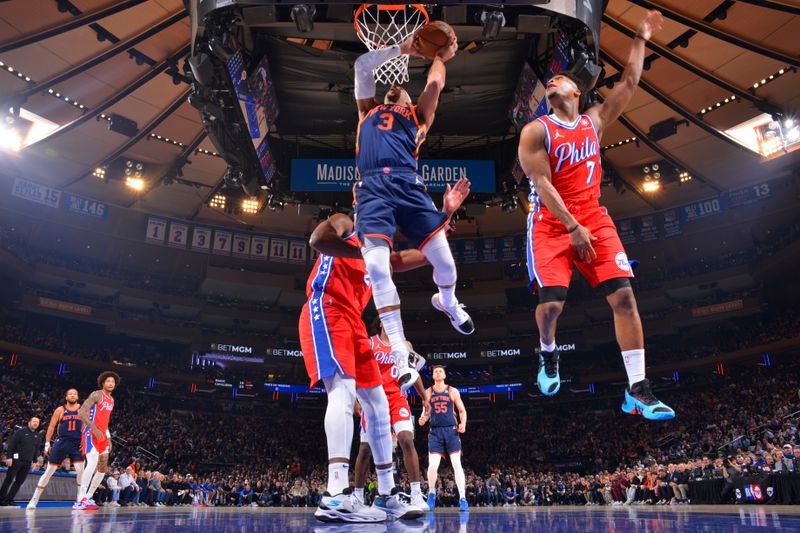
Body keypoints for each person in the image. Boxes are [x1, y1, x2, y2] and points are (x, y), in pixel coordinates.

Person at [517, 9, 674, 421]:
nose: (552, 80)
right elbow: (541, 184)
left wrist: (640, 37)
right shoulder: (536, 131)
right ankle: (548, 354)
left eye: (559, 78)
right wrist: (572, 226)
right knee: (552, 306)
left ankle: (638, 388)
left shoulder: (595, 120)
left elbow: (630, 82)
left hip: (594, 217)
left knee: (624, 297)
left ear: (577, 91)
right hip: (552, 223)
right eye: (550, 80)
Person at [301, 178, 470, 523]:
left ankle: (388, 493)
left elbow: (426, 254)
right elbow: (317, 240)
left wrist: (446, 215)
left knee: (377, 403)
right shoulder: (345, 223)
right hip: (327, 307)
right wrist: (361, 249)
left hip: (354, 322)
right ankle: (335, 494)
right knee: (343, 393)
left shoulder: (383, 256)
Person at [353, 28, 473, 395]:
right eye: (392, 89)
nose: (394, 90)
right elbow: (361, 65)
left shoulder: (418, 115)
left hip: (408, 185)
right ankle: (399, 349)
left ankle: (448, 302)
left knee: (447, 265)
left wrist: (441, 58)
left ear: (408, 97)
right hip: (372, 188)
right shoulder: (366, 110)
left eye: (401, 90)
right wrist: (401, 48)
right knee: (376, 266)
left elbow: (434, 86)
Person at [353, 320, 430, 512]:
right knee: (365, 448)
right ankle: (358, 496)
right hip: (373, 397)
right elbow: (358, 371)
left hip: (397, 397)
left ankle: (416, 494)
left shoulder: (405, 345)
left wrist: (424, 398)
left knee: (406, 439)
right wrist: (355, 399)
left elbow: (413, 372)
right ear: (380, 323)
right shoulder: (370, 343)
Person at [419, 365, 468, 511]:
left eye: (440, 371)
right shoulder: (428, 392)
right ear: (433, 376)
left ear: (445, 375)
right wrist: (423, 418)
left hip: (451, 431)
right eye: (435, 371)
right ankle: (432, 494)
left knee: (456, 464)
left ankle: (462, 498)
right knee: (433, 466)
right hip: (435, 432)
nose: (438, 372)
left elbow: (462, 410)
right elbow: (426, 412)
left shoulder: (452, 391)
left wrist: (463, 424)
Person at [27, 389, 84, 510]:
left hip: (78, 442)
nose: (72, 395)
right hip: (62, 441)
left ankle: (79, 499)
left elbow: (88, 426)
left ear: (78, 397)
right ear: (66, 397)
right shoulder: (60, 410)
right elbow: (52, 426)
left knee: (80, 470)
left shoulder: (83, 409)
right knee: (49, 471)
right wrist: (47, 443)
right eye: (70, 394)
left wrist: (87, 442)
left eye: (75, 394)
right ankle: (34, 499)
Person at [74, 371, 119, 510]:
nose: (111, 383)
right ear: (103, 383)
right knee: (92, 463)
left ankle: (88, 497)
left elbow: (105, 421)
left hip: (103, 436)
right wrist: (95, 429)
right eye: (108, 381)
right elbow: (81, 412)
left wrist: (108, 437)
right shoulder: (96, 394)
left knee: (102, 468)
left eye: (113, 381)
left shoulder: (111, 400)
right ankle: (80, 498)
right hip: (90, 432)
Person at [0, 417, 41, 507]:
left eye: (37, 422)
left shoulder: (37, 436)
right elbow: (12, 444)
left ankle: (9, 499)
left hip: (27, 462)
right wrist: (9, 457)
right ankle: (1, 499)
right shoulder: (21, 432)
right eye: (34, 421)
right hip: (16, 460)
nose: (35, 423)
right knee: (9, 479)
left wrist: (34, 461)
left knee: (19, 481)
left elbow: (36, 449)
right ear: (29, 422)